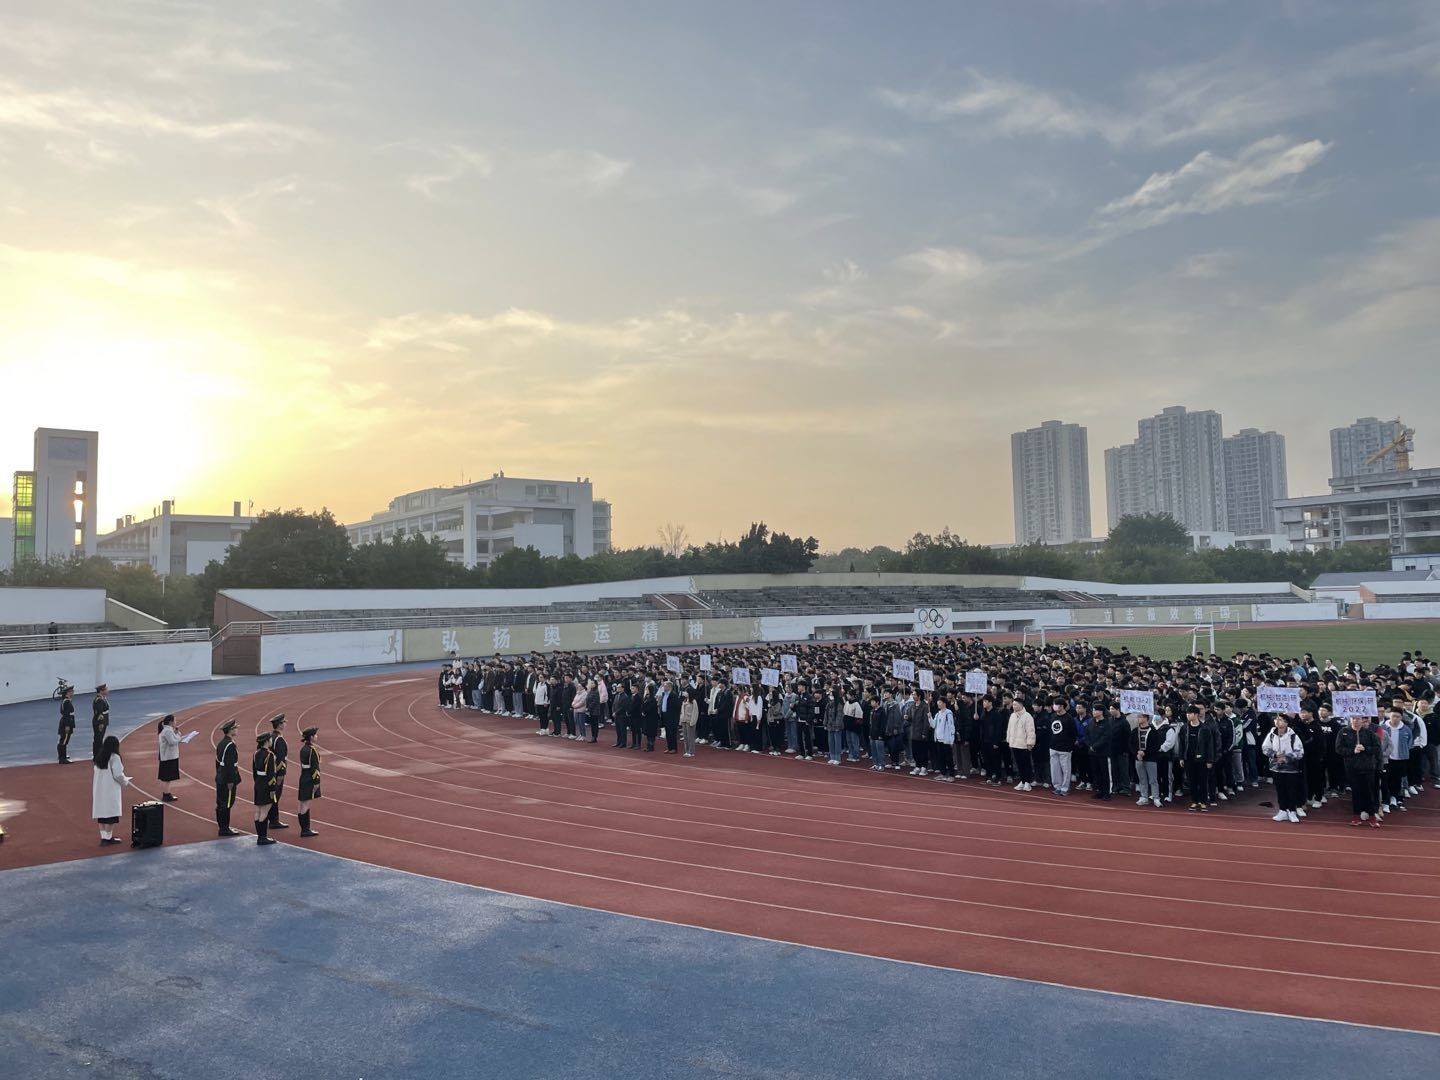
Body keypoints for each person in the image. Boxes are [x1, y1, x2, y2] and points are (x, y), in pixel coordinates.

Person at [1336, 714, 1382, 826]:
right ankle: (1356, 816)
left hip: (1367, 767)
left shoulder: (1369, 733)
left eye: (1358, 719)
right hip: (1352, 767)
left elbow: (1377, 748)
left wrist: (1365, 749)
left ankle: (1372, 816)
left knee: (1369, 792)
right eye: (1354, 718)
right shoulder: (1343, 732)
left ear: (1362, 720)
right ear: (1350, 719)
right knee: (1356, 792)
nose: (1356, 721)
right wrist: (1352, 751)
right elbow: (1338, 749)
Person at [1262, 715, 1306, 822]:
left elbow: (1299, 752)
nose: (1277, 721)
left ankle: (1292, 811)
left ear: (1286, 723)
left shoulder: (1293, 736)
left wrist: (1286, 758)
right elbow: (1265, 748)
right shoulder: (1271, 734)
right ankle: (1282, 810)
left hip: (1291, 769)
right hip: (1276, 767)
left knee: (1291, 790)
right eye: (1276, 719)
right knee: (1280, 790)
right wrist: (1275, 755)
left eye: (1280, 720)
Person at [92, 734, 132, 845]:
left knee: (101, 813)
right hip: (110, 789)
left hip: (99, 789)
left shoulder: (99, 757)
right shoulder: (114, 757)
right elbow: (118, 774)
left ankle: (104, 837)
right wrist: (125, 781)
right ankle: (108, 837)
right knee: (110, 814)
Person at [215, 719, 243, 836]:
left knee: (221, 803)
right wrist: (231, 780)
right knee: (226, 803)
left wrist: (219, 774)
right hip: (227, 779)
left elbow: (218, 762)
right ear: (230, 730)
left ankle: (223, 827)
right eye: (235, 728)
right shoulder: (230, 745)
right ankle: (224, 828)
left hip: (221, 776)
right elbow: (229, 765)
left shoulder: (222, 743)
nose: (237, 730)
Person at [253, 731, 279, 846]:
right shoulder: (270, 755)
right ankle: (262, 838)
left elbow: (254, 771)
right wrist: (272, 789)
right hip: (266, 785)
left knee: (258, 811)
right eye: (270, 739)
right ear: (267, 741)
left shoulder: (256, 753)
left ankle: (260, 836)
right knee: (264, 811)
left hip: (258, 783)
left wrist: (257, 782)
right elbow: (271, 774)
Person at [1006, 695, 1036, 791]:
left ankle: (1028, 782)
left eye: (1015, 704)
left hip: (1024, 745)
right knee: (1019, 764)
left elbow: (1031, 731)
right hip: (1014, 744)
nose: (1013, 706)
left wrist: (1030, 743)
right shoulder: (1012, 715)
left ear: (1020, 705)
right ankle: (1022, 781)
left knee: (1026, 764)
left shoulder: (1027, 716)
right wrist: (1009, 740)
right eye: (1013, 704)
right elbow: (1009, 729)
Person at [1132, 713, 1162, 807]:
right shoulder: (1135, 731)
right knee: (1142, 779)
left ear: (1146, 718)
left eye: (1140, 717)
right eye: (1138, 717)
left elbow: (1156, 745)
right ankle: (1144, 796)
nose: (1138, 718)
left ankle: (1156, 797)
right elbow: (1130, 744)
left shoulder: (1153, 731)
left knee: (1153, 779)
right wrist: (1137, 752)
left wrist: (1145, 752)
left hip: (1150, 758)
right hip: (1138, 758)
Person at [1048, 697, 1076, 797]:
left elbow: (1073, 734)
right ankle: (1057, 787)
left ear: (1061, 706)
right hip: (1053, 746)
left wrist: (1070, 746)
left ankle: (1065, 788)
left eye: (1056, 705)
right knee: (1054, 769)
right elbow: (1050, 731)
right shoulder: (1052, 716)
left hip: (1065, 748)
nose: (1054, 706)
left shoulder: (1069, 718)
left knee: (1066, 769)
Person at [297, 726, 322, 837]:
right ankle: (305, 829)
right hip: (309, 779)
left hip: (303, 776)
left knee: (302, 803)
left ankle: (304, 828)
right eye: (315, 735)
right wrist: (316, 782)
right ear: (311, 737)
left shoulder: (303, 749)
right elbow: (315, 768)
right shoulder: (312, 750)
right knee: (305, 804)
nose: (316, 736)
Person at [267, 714, 290, 830]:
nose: (285, 724)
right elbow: (281, 759)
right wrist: (281, 774)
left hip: (271, 771)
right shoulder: (278, 739)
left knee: (272, 795)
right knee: (275, 796)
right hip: (276, 772)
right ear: (280, 725)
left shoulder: (271, 737)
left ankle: (271, 819)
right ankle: (274, 820)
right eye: (284, 722)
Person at [157, 714, 184, 802]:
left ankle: (167, 793)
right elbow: (172, 742)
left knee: (168, 778)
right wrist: (179, 738)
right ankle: (166, 795)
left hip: (169, 756)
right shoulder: (167, 731)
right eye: (175, 721)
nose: (176, 722)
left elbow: (176, 738)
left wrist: (177, 733)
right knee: (167, 778)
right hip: (168, 757)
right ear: (170, 722)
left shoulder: (169, 730)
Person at [91, 684, 110, 762]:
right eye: (106, 689)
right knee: (98, 739)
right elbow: (100, 713)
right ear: (101, 691)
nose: (107, 690)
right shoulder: (99, 700)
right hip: (100, 722)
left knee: (99, 738)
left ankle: (98, 755)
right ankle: (97, 756)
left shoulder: (102, 698)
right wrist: (101, 723)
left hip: (102, 721)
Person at [57, 684, 76, 764]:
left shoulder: (66, 701)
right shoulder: (67, 702)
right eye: (71, 691)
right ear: (68, 693)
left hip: (66, 722)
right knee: (64, 740)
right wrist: (67, 725)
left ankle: (62, 756)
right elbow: (66, 714)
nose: (73, 692)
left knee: (64, 740)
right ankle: (62, 758)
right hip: (66, 723)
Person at [680, 691, 700, 757]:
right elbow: (682, 711)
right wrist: (681, 719)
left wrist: (693, 721)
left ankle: (691, 751)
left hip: (690, 721)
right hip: (684, 720)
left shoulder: (693, 701)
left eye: (686, 692)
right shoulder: (684, 701)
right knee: (685, 737)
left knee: (690, 737)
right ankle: (687, 751)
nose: (685, 693)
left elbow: (695, 712)